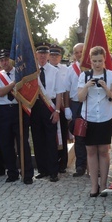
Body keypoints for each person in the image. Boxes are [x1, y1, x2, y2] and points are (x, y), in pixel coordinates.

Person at [77, 46, 112, 197]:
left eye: (100, 61)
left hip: (105, 117)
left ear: (104, 59)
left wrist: (106, 88)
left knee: (103, 151)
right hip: (90, 118)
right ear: (90, 61)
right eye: (94, 61)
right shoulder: (84, 76)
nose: (97, 64)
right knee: (91, 151)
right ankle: (93, 185)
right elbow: (80, 98)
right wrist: (87, 86)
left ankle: (103, 185)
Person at [0, 49, 34, 185]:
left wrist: (16, 83)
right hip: (3, 111)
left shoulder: (21, 73)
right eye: (2, 60)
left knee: (23, 142)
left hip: (19, 110)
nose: (4, 62)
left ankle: (27, 173)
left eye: (6, 59)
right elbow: (0, 92)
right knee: (6, 143)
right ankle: (12, 172)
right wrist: (13, 84)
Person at [30, 43, 65, 182]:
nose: (43, 56)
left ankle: (53, 171)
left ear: (49, 55)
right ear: (36, 55)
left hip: (49, 106)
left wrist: (57, 110)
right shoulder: (32, 71)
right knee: (38, 139)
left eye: (45, 53)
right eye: (40, 53)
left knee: (51, 140)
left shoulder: (55, 71)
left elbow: (59, 93)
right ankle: (42, 169)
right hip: (35, 106)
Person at [63, 43, 87, 177]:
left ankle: (94, 165)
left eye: (81, 51)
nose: (79, 54)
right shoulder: (70, 70)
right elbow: (66, 90)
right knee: (79, 136)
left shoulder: (91, 67)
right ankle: (80, 166)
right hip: (76, 105)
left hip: (90, 104)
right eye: (76, 52)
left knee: (92, 136)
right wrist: (67, 107)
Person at [49, 44, 70, 173]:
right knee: (50, 135)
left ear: (60, 57)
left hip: (62, 106)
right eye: (52, 54)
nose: (54, 57)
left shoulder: (66, 69)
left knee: (62, 133)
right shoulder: (44, 69)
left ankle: (63, 163)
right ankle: (51, 161)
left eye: (56, 55)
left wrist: (66, 107)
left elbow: (67, 89)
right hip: (49, 104)